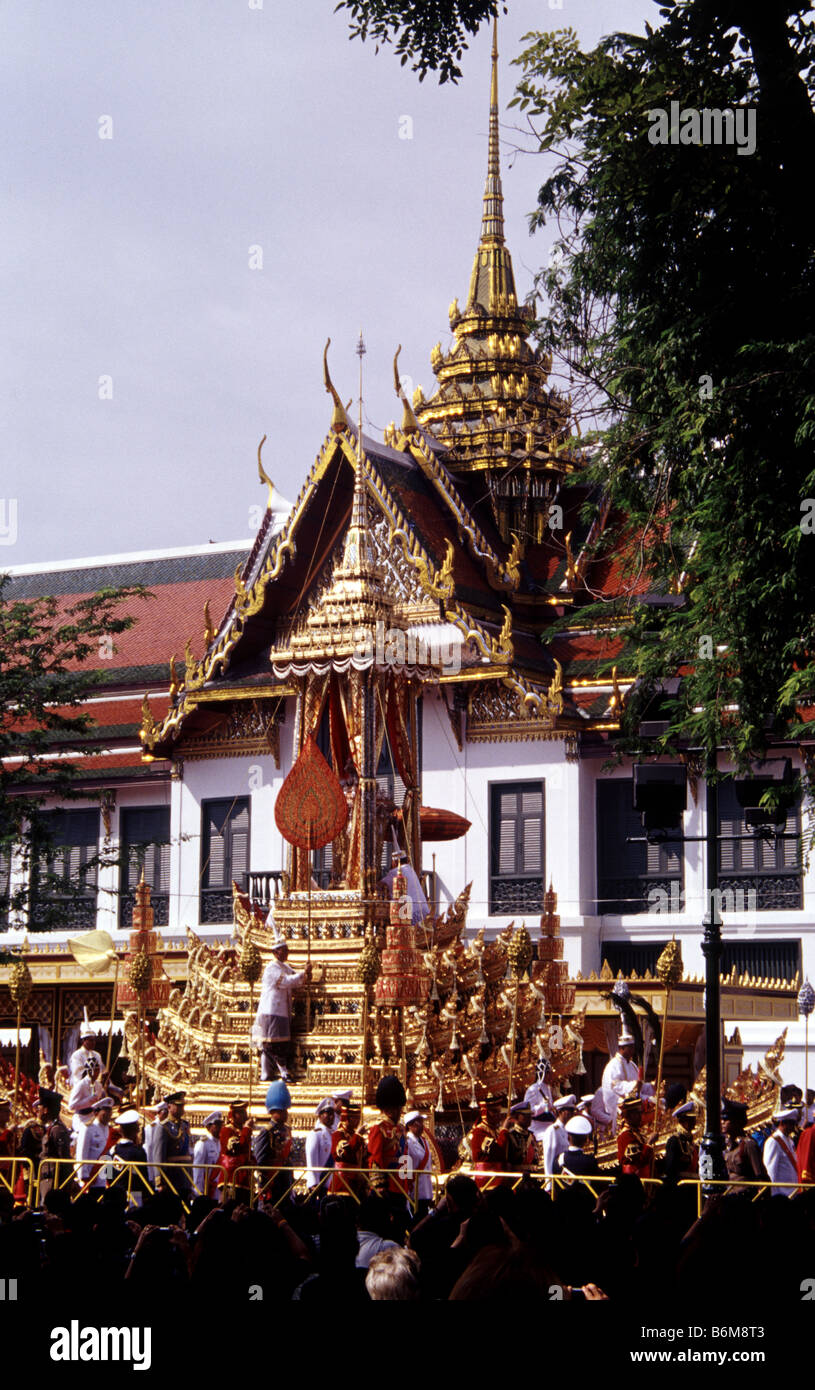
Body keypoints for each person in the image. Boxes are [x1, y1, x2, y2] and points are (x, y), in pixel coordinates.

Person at [252, 934, 310, 1082]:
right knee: (273, 1043)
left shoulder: (285, 967)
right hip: (272, 1011)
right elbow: (286, 982)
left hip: (281, 1011)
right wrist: (303, 974)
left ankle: (266, 1073)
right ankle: (283, 1072)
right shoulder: (271, 968)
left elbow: (295, 981)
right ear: (276, 952)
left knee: (275, 1042)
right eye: (284, 950)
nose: (287, 952)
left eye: (287, 950)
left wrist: (306, 974)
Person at [367, 1075, 408, 1232]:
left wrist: (407, 1182)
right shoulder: (378, 1129)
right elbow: (375, 1158)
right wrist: (380, 1187)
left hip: (400, 1186)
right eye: (398, 1108)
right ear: (390, 1109)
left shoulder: (401, 1130)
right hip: (387, 1188)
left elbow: (405, 1157)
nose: (400, 1111)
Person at [253, 1080, 293, 1207]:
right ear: (273, 1112)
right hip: (271, 1182)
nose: (286, 1113)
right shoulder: (266, 1132)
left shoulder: (286, 1130)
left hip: (284, 1180)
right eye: (282, 1111)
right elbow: (259, 1160)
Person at [153, 1090, 194, 1200]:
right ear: (169, 1107)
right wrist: (159, 1181)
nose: (181, 1108)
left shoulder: (185, 1125)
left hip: (185, 1176)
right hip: (172, 1175)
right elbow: (158, 1156)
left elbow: (190, 1151)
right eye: (178, 1105)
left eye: (182, 1105)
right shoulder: (163, 1127)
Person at [601, 1029, 641, 1134]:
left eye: (633, 1047)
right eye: (630, 1047)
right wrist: (633, 1085)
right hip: (619, 1109)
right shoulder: (613, 1065)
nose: (632, 1050)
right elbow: (614, 1086)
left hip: (634, 1106)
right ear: (621, 1048)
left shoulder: (633, 1065)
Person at [722, 1098, 767, 1184]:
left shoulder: (748, 1144)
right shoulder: (728, 1145)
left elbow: (760, 1176)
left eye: (727, 1119)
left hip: (746, 1194)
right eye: (722, 1119)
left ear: (737, 1122)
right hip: (729, 1193)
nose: (723, 1122)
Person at [38, 1086, 71, 1199]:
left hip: (54, 1181)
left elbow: (64, 1157)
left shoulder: (57, 1129)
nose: (38, 1111)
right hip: (47, 1179)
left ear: (46, 1109)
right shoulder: (50, 1128)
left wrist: (68, 1181)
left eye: (40, 1108)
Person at [331, 1095, 367, 1198]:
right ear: (346, 1118)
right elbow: (345, 1153)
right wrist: (358, 1136)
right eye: (354, 1118)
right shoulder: (338, 1135)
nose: (357, 1121)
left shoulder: (355, 1135)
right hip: (342, 1184)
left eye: (358, 1118)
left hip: (357, 1185)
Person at [468, 1095, 508, 1189]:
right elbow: (498, 1152)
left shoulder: (496, 1131)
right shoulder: (480, 1132)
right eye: (494, 1112)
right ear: (485, 1113)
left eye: (499, 1112)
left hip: (499, 1180)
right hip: (486, 1181)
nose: (498, 1115)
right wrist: (505, 1130)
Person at [111, 1108, 149, 1204]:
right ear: (135, 1131)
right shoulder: (139, 1152)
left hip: (116, 1195)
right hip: (134, 1195)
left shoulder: (112, 1151)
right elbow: (143, 1176)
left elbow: (107, 1174)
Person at [75, 1097, 113, 1190]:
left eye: (110, 1111)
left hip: (106, 1176)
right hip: (92, 1176)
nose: (108, 1114)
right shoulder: (88, 1128)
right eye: (105, 1111)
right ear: (96, 1112)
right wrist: (83, 1175)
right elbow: (81, 1153)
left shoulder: (110, 1129)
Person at [219, 1100, 253, 1200]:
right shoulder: (227, 1130)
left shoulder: (242, 1130)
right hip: (231, 1177)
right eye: (241, 1113)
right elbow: (236, 1148)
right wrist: (246, 1129)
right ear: (234, 1114)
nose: (244, 1115)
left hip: (244, 1176)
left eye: (244, 1112)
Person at [763, 1105, 800, 1195]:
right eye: (790, 1124)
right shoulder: (773, 1141)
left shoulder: (789, 1141)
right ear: (782, 1123)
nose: (793, 1127)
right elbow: (770, 1170)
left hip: (792, 1191)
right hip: (781, 1193)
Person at [404, 1109, 433, 1219]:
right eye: (419, 1122)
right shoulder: (407, 1141)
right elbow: (404, 1166)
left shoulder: (424, 1141)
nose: (422, 1125)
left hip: (425, 1188)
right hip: (413, 1189)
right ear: (410, 1125)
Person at [617, 1094, 655, 1180]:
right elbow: (638, 1162)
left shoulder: (636, 1133)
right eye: (637, 1113)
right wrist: (649, 1144)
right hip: (634, 1183)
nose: (641, 1116)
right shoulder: (626, 1135)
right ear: (629, 1115)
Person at [662, 1099, 698, 1184]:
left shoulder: (691, 1141)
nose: (694, 1123)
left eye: (694, 1119)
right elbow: (670, 1169)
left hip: (692, 1186)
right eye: (690, 1120)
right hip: (679, 1187)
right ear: (682, 1121)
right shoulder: (674, 1141)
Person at [305, 1099, 336, 1195]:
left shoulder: (334, 1134)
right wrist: (314, 1181)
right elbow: (312, 1158)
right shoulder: (316, 1134)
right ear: (320, 1115)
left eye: (332, 1114)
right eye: (327, 1113)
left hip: (332, 1182)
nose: (331, 1117)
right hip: (320, 1181)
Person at [541, 1094, 577, 1176]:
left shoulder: (570, 1129)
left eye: (573, 1111)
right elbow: (548, 1159)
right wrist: (549, 1183)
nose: (572, 1114)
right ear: (560, 1112)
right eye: (569, 1111)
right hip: (557, 1176)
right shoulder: (552, 1131)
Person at [193, 1111, 223, 1198]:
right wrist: (199, 1192)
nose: (220, 1127)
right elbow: (198, 1170)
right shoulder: (203, 1144)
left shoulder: (222, 1143)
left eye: (221, 1124)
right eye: (216, 1124)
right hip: (208, 1189)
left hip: (219, 1189)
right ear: (209, 1127)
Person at [504, 1100, 537, 1175]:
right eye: (525, 1115)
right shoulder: (510, 1136)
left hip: (532, 1178)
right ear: (516, 1117)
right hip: (517, 1179)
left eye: (530, 1115)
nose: (529, 1118)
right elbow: (508, 1164)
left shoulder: (531, 1136)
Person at [69, 1016, 104, 1083]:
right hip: (80, 1084)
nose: (93, 1042)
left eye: (94, 1040)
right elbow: (78, 1073)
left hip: (96, 1083)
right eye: (91, 1040)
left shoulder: (97, 1055)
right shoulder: (77, 1055)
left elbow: (101, 1071)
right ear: (83, 1041)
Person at [144, 1101, 169, 1186]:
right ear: (158, 1113)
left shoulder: (169, 1126)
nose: (166, 1115)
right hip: (154, 1160)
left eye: (167, 1113)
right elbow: (149, 1148)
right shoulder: (151, 1127)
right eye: (164, 1113)